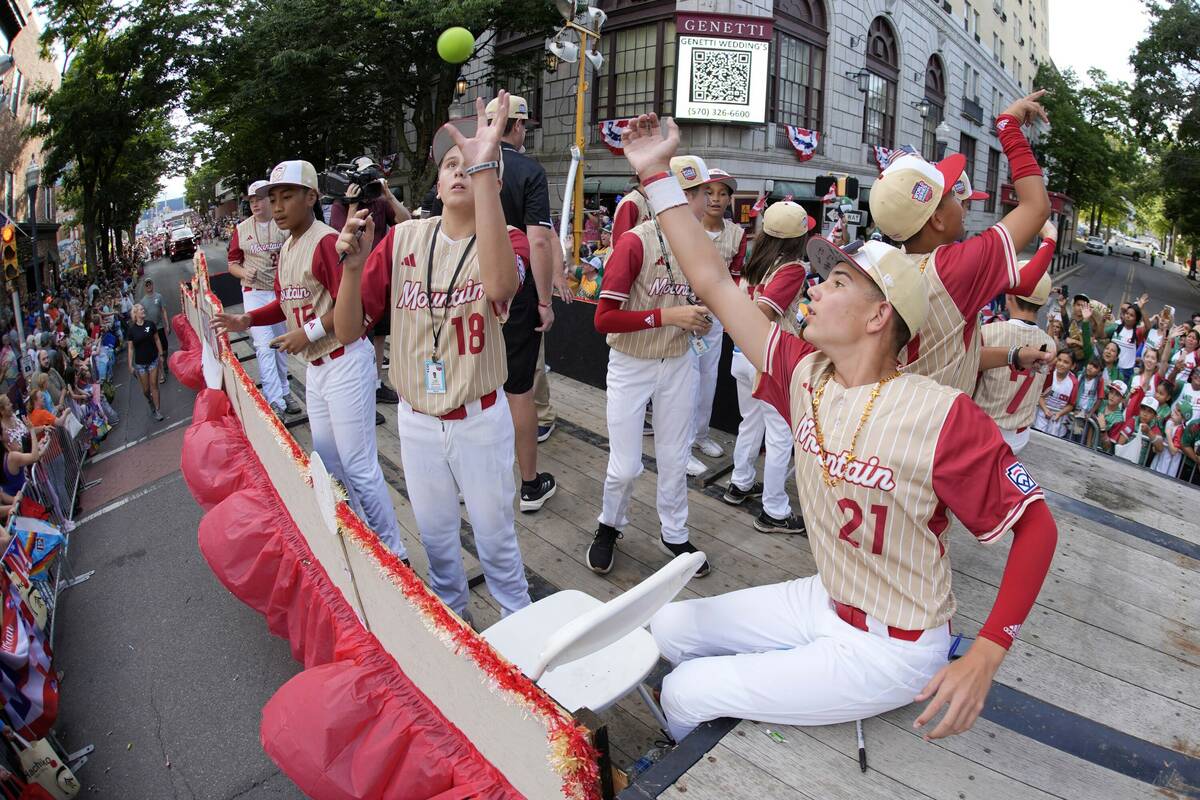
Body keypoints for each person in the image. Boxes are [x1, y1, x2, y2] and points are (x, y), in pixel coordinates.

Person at [618, 112, 1057, 744]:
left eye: (839, 280)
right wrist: (656, 175)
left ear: (880, 315)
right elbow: (712, 281)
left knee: (687, 689)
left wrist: (988, 650)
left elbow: (1037, 524)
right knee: (671, 629)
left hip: (893, 647)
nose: (817, 287)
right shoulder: (805, 372)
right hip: (828, 597)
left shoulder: (941, 414)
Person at [333, 94, 531, 619]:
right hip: (417, 418)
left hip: (479, 418)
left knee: (496, 541)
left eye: (474, 165)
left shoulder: (509, 240)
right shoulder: (401, 239)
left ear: (493, 180)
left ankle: (522, 638)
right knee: (439, 545)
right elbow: (348, 330)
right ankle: (456, 633)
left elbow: (499, 282)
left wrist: (486, 163)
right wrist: (352, 271)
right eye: (450, 164)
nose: (460, 170)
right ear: (438, 184)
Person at [213, 160, 407, 562]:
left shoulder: (326, 240)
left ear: (311, 197)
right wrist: (248, 318)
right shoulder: (286, 248)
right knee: (330, 462)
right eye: (273, 198)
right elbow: (286, 304)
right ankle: (364, 538)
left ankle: (394, 550)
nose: (277, 206)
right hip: (317, 369)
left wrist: (308, 332)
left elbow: (349, 307)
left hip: (344, 359)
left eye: (287, 196)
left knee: (359, 465)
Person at [867, 90, 1056, 393]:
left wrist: (1014, 355)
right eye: (952, 196)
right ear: (937, 220)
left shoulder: (890, 265)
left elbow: (952, 356)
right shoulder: (950, 269)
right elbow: (1036, 207)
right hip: (932, 429)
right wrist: (1008, 126)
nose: (962, 202)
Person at [586, 155, 717, 578]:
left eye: (706, 193)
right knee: (624, 465)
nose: (706, 202)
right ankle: (609, 524)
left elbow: (701, 302)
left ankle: (674, 533)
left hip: (678, 359)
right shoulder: (636, 241)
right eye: (698, 194)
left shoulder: (701, 244)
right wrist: (668, 316)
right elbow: (603, 318)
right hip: (632, 361)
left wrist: (698, 317)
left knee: (675, 458)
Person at [484, 94, 564, 511]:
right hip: (517, 290)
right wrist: (545, 299)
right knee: (518, 390)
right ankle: (529, 485)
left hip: (469, 287)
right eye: (523, 127)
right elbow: (538, 239)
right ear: (515, 127)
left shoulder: (465, 165)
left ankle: (472, 480)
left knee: (477, 388)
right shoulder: (529, 170)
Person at [723, 201, 811, 533]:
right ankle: (774, 509)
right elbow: (763, 312)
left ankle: (740, 483)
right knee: (779, 436)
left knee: (751, 423)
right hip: (768, 356)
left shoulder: (755, 262)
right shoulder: (793, 267)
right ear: (798, 238)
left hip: (742, 354)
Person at [327, 161, 411, 406]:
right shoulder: (340, 204)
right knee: (362, 334)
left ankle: (375, 383)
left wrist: (389, 197)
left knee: (380, 333)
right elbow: (344, 238)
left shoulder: (380, 200)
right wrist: (352, 203)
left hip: (383, 274)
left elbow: (406, 223)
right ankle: (362, 386)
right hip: (358, 278)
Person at [686, 168, 746, 477]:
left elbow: (735, 277)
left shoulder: (736, 234)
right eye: (709, 192)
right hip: (683, 316)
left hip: (715, 317)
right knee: (685, 381)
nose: (716, 198)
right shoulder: (685, 227)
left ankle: (700, 436)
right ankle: (681, 447)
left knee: (708, 377)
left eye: (723, 193)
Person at [227, 181, 300, 418]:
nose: (255, 204)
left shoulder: (284, 226)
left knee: (280, 344)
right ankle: (274, 399)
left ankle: (284, 391)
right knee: (263, 345)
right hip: (254, 292)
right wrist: (243, 272)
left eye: (259, 198)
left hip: (280, 292)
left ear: (270, 199)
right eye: (251, 200)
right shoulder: (241, 229)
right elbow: (232, 264)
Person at [972, 272, 1057, 454]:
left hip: (982, 431)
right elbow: (1044, 389)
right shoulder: (1050, 344)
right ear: (1042, 303)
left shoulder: (987, 332)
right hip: (1019, 437)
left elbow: (969, 381)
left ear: (1010, 296)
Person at [126, 303, 165, 421]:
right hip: (140, 364)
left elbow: (157, 339)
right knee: (146, 390)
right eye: (141, 309)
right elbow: (131, 348)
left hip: (153, 359)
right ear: (136, 313)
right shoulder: (131, 331)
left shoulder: (150, 324)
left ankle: (157, 410)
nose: (144, 311)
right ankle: (150, 400)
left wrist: (161, 354)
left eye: (143, 309)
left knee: (154, 385)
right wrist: (130, 365)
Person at [1032, 350, 1077, 438]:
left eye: (1066, 362)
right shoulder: (1048, 373)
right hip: (1040, 417)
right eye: (1059, 360)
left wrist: (1059, 414)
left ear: (1073, 366)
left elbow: (1071, 404)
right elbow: (1038, 393)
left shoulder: (1074, 382)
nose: (1061, 364)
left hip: (1058, 423)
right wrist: (1045, 409)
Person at [138, 279, 170, 384]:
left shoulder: (159, 297)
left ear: (152, 285)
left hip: (160, 326)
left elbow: (163, 311)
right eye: (146, 285)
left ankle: (164, 362)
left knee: (164, 348)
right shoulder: (142, 301)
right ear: (145, 287)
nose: (148, 286)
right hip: (150, 330)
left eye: (150, 284)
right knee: (156, 351)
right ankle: (161, 371)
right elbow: (141, 318)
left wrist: (167, 325)